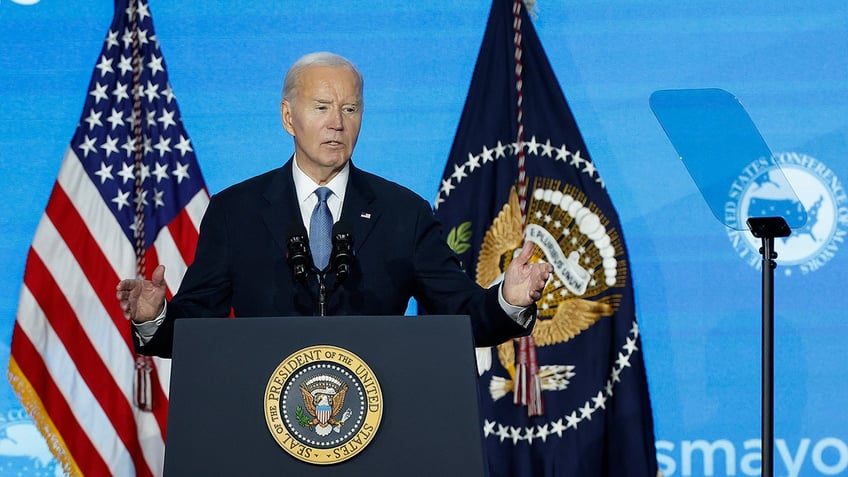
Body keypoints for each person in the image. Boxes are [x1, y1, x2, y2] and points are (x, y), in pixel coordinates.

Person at [117, 52, 552, 358]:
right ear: (289, 117)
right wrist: (154, 317)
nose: (337, 123)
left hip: (378, 421)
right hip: (262, 425)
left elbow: (462, 317)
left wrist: (509, 300)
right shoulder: (236, 212)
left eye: (350, 108)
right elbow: (195, 329)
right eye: (322, 107)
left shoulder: (404, 213)